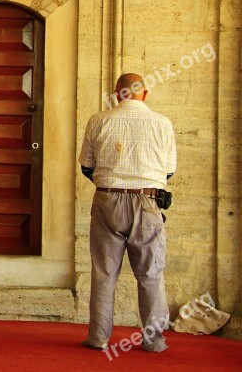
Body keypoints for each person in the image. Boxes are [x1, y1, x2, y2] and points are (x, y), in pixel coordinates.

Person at [78, 73, 176, 353]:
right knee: (150, 273)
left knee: (104, 271)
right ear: (144, 93)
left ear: (117, 93)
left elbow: (87, 166)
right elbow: (169, 170)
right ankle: (154, 340)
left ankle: (98, 337)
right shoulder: (162, 123)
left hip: (107, 200)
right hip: (147, 201)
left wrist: (113, 185)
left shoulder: (99, 120)